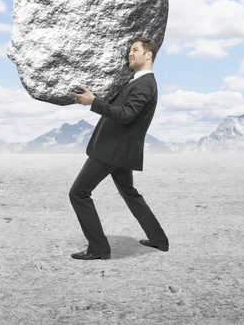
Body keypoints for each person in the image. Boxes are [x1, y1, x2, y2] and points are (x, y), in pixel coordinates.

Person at [67, 35, 169, 260]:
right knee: (129, 193)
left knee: (78, 193)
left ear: (148, 54)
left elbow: (126, 115)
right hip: (121, 151)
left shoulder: (145, 84)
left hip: (111, 151)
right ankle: (159, 239)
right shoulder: (138, 81)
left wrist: (93, 102)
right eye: (129, 51)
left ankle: (99, 249)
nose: (129, 54)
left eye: (134, 49)